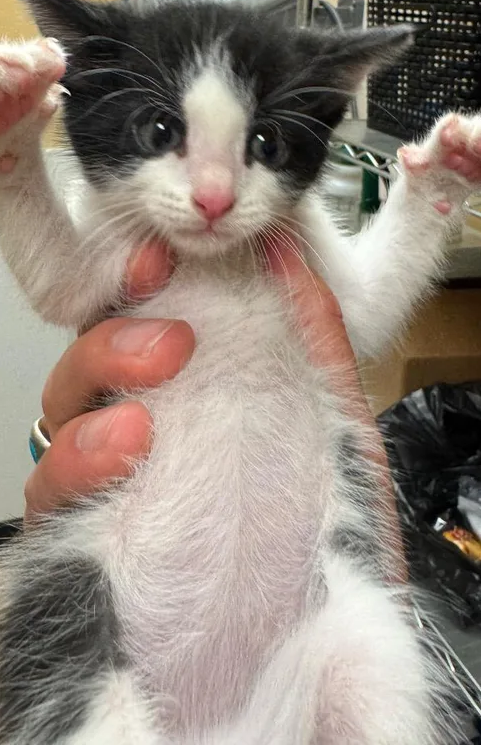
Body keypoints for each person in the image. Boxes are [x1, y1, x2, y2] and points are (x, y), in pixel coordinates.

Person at [25, 235, 406, 580]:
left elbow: (364, 307)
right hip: (141, 571)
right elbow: (60, 290)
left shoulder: (295, 230)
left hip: (315, 585)